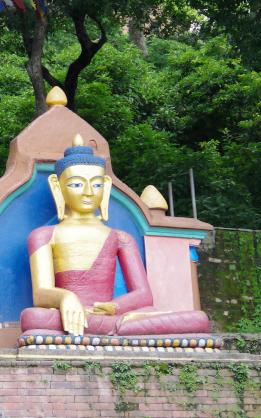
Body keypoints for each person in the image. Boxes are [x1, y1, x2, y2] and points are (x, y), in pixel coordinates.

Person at [20, 135, 210, 336]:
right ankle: (119, 331)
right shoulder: (44, 235)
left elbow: (143, 295)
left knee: (198, 319)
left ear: (106, 186)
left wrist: (114, 307)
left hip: (110, 314)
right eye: (76, 184)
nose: (88, 192)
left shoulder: (121, 237)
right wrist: (65, 298)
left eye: (96, 184)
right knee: (34, 317)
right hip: (68, 313)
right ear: (57, 187)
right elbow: (40, 294)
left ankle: (113, 328)